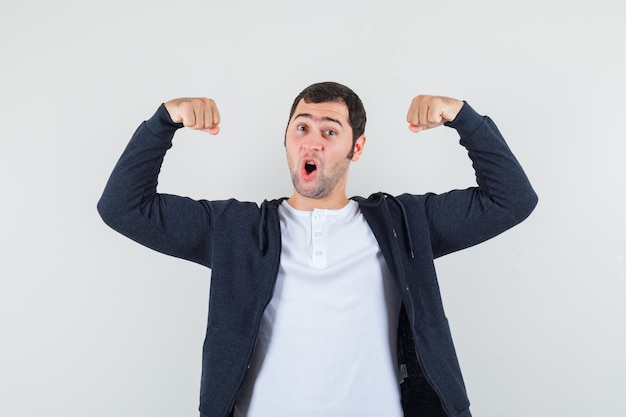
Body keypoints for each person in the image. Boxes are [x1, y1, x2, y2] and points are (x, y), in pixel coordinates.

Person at [98, 81, 537, 417]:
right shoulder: (235, 230)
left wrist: (463, 117)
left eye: (331, 130)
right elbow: (122, 207)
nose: (313, 140)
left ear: (356, 147)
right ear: (287, 141)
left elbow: (512, 199)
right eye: (302, 127)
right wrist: (164, 122)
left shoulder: (404, 224)